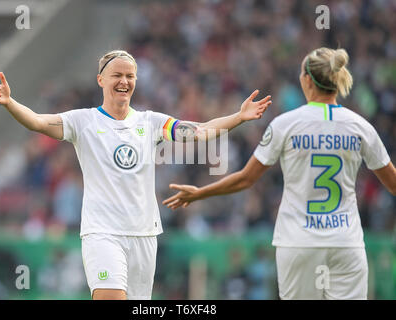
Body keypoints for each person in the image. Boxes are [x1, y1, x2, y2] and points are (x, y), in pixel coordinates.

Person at [0, 49, 272, 300]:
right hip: (103, 233)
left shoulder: (151, 122)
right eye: (117, 75)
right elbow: (38, 122)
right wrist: (10, 103)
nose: (124, 81)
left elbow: (198, 131)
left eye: (130, 75)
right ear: (101, 80)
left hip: (144, 235)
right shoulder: (83, 121)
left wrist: (238, 117)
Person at [163, 47, 396, 300]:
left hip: (298, 242)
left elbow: (246, 178)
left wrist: (200, 193)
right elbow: (393, 184)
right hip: (345, 243)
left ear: (307, 79)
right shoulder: (361, 127)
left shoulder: (285, 125)